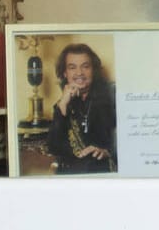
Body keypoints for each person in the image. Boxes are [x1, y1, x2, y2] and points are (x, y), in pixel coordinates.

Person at [44, 43, 117, 174]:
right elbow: (53, 147)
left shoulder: (111, 97)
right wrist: (63, 105)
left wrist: (107, 152)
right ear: (65, 73)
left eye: (85, 66)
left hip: (101, 169)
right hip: (72, 174)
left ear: (93, 70)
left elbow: (126, 140)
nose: (79, 73)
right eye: (72, 68)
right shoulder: (62, 104)